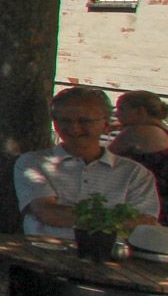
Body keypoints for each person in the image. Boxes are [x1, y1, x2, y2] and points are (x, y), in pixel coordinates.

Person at [14, 87, 160, 237]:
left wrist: (70, 216)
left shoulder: (134, 173)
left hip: (110, 256)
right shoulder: (34, 163)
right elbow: (47, 213)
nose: (74, 128)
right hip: (44, 255)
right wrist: (119, 220)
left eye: (84, 121)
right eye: (64, 120)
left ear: (105, 123)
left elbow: (144, 223)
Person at [111, 90, 168, 206]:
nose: (117, 114)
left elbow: (101, 157)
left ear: (140, 111)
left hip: (151, 202)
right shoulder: (161, 128)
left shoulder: (137, 132)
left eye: (121, 109)